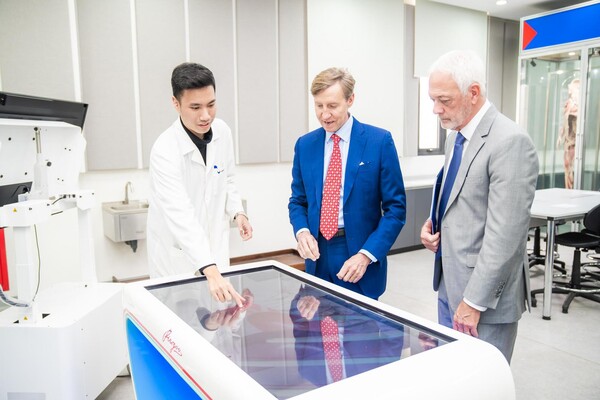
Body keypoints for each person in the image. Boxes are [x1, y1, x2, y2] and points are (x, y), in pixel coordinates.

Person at [419, 50, 539, 362]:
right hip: (449, 283)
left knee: (483, 386)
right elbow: (459, 198)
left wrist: (473, 301)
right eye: (433, 99)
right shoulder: (455, 136)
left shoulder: (510, 141)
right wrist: (433, 225)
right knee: (455, 379)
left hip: (483, 299)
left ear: (473, 93)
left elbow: (506, 236)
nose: (436, 109)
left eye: (444, 100)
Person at [288, 67, 406, 300]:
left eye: (332, 106)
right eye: (318, 106)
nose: (324, 115)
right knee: (317, 332)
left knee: (359, 332)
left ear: (350, 100)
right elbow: (298, 201)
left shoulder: (379, 141)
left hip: (358, 255)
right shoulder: (305, 145)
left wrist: (366, 255)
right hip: (317, 256)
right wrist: (302, 232)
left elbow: (396, 210)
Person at [147, 62, 252, 307]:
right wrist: (210, 269)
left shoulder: (222, 132)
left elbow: (227, 178)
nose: (206, 115)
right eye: (195, 107)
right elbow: (180, 213)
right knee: (181, 328)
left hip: (215, 248)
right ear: (176, 103)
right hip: (178, 258)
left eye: (211, 104)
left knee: (221, 324)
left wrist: (237, 212)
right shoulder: (165, 150)